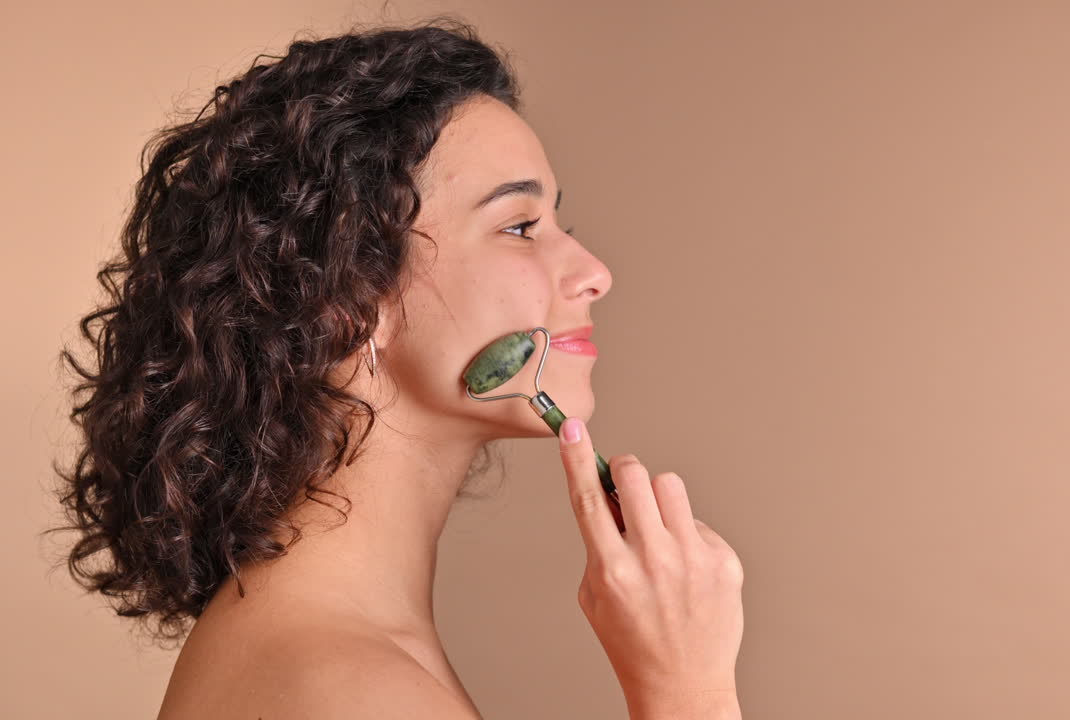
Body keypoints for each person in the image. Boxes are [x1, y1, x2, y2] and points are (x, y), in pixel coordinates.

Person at [50, 17, 744, 719]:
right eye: (520, 227)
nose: (594, 273)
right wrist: (686, 687)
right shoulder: (355, 690)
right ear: (347, 297)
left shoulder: (313, 646)